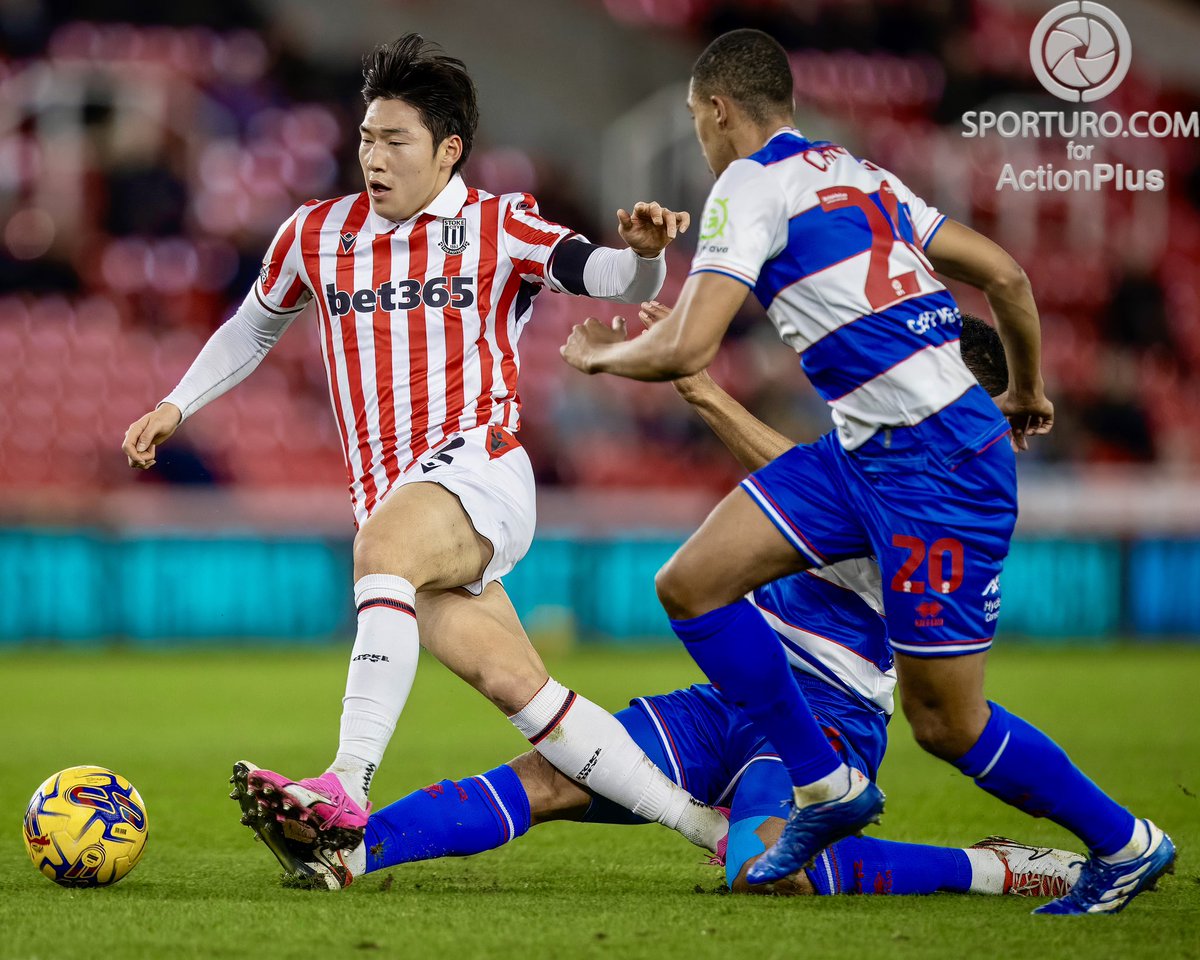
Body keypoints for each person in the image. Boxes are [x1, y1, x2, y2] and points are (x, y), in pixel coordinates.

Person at [560, 28, 1173, 915]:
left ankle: (1125, 844)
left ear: (719, 110)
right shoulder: (861, 175)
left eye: (697, 120)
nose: (698, 136)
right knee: (690, 584)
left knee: (947, 725)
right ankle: (824, 785)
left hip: (936, 467)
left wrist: (598, 359)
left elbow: (692, 343)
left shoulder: (748, 182)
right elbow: (1007, 275)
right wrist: (1029, 391)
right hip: (868, 452)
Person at [122, 34, 728, 863]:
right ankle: (713, 832)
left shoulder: (498, 226)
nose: (373, 155)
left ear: (447, 150)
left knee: (382, 547)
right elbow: (254, 324)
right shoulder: (316, 233)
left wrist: (650, 257)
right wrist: (175, 402)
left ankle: (346, 783)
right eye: (366, 137)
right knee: (526, 694)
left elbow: (610, 275)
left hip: (479, 467)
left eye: (394, 139)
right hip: (399, 502)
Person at [231, 314, 1081, 901]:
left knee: (761, 871)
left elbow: (824, 495)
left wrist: (705, 393)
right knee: (553, 779)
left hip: (828, 722)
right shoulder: (884, 447)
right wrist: (699, 386)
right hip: (731, 704)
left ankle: (989, 869)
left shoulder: (954, 501)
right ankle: (346, 849)